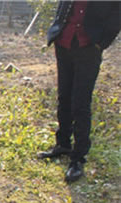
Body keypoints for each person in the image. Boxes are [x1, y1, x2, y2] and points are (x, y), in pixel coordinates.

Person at [38, 1, 120, 183]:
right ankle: (63, 144)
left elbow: (117, 13)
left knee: (81, 103)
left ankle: (78, 158)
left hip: (89, 47)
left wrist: (101, 42)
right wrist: (57, 29)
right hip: (64, 42)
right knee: (64, 97)